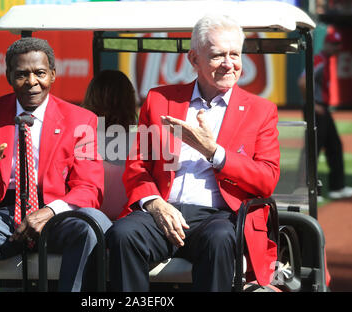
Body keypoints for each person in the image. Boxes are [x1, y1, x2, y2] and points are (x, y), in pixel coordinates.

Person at [106, 14, 280, 292]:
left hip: (219, 216)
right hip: (162, 211)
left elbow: (266, 179)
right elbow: (137, 164)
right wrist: (153, 203)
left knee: (221, 239)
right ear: (194, 59)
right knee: (122, 234)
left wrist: (213, 152)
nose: (228, 64)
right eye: (217, 55)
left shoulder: (261, 110)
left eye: (234, 54)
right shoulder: (159, 99)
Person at [0, 37, 112, 292]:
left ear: (53, 75)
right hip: (2, 214)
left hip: (58, 214)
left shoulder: (81, 119)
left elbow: (89, 186)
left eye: (40, 73)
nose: (32, 82)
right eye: (22, 74)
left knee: (91, 224)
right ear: (9, 75)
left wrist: (49, 212)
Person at [298, 30, 352, 200]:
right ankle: (307, 189)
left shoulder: (327, 60)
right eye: (334, 44)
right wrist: (312, 104)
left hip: (323, 109)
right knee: (313, 147)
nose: (336, 48)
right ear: (327, 44)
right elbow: (301, 81)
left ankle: (337, 187)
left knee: (334, 146)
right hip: (316, 109)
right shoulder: (319, 60)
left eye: (338, 45)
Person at [82, 70, 138, 220]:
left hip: (90, 221)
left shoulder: (80, 137)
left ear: (91, 98)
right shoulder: (143, 137)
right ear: (130, 99)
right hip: (131, 223)